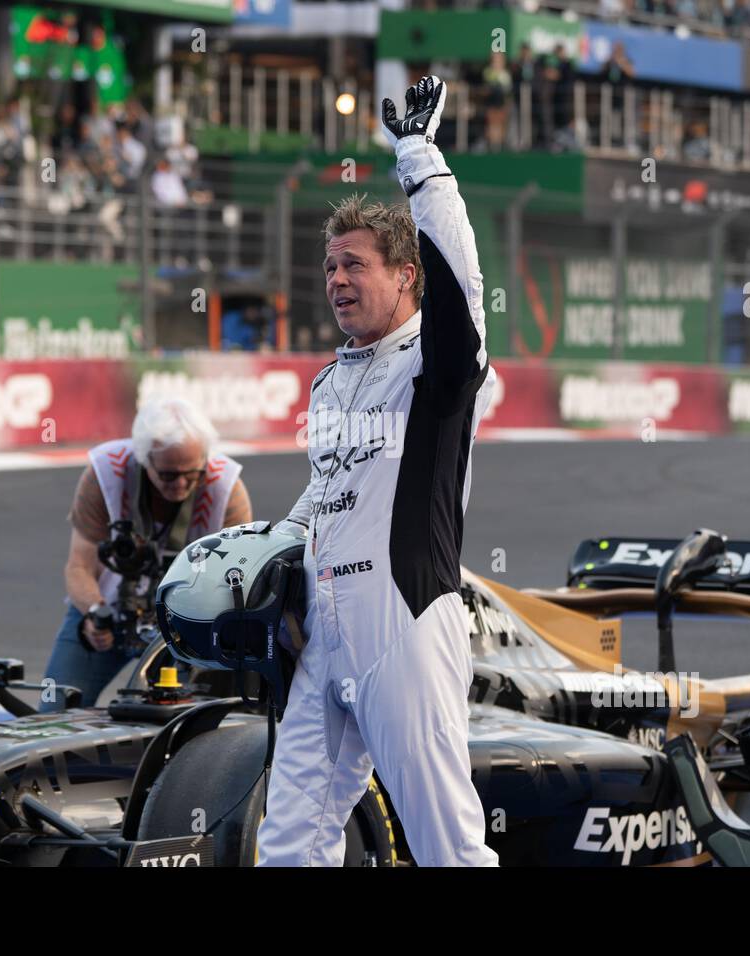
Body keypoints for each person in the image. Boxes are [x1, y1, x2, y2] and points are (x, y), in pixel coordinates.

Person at [256, 76, 500, 867]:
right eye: (330, 268)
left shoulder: (438, 363)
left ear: (405, 276)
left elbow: (463, 284)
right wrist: (274, 544)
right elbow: (327, 492)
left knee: (445, 844)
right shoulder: (332, 378)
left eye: (355, 265)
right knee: (290, 840)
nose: (336, 281)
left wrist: (422, 162)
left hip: (403, 611)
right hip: (324, 625)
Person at [39, 396, 252, 711]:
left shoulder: (224, 488)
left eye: (190, 473)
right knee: (54, 708)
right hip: (109, 612)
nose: (180, 484)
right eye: (167, 474)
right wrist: (94, 614)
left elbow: (238, 581)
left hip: (183, 626)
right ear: (143, 460)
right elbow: (79, 567)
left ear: (204, 459)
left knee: (182, 723)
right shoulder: (106, 474)